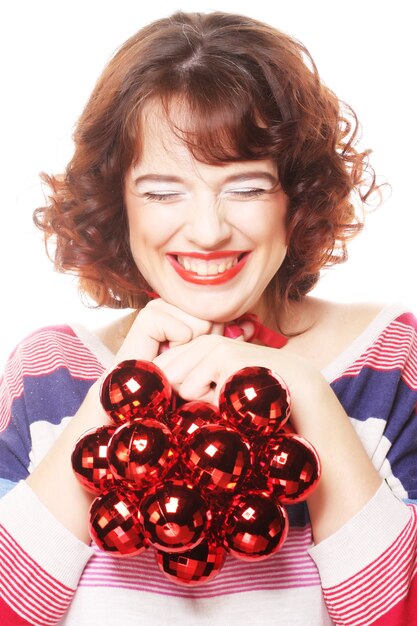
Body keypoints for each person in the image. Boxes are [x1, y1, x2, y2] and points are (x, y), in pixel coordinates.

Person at [0, 10, 416, 626]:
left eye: (245, 187)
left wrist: (303, 392)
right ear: (118, 203)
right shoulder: (48, 372)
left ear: (294, 198)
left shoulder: (390, 364)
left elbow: (393, 614)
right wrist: (121, 393)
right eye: (162, 190)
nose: (207, 230)